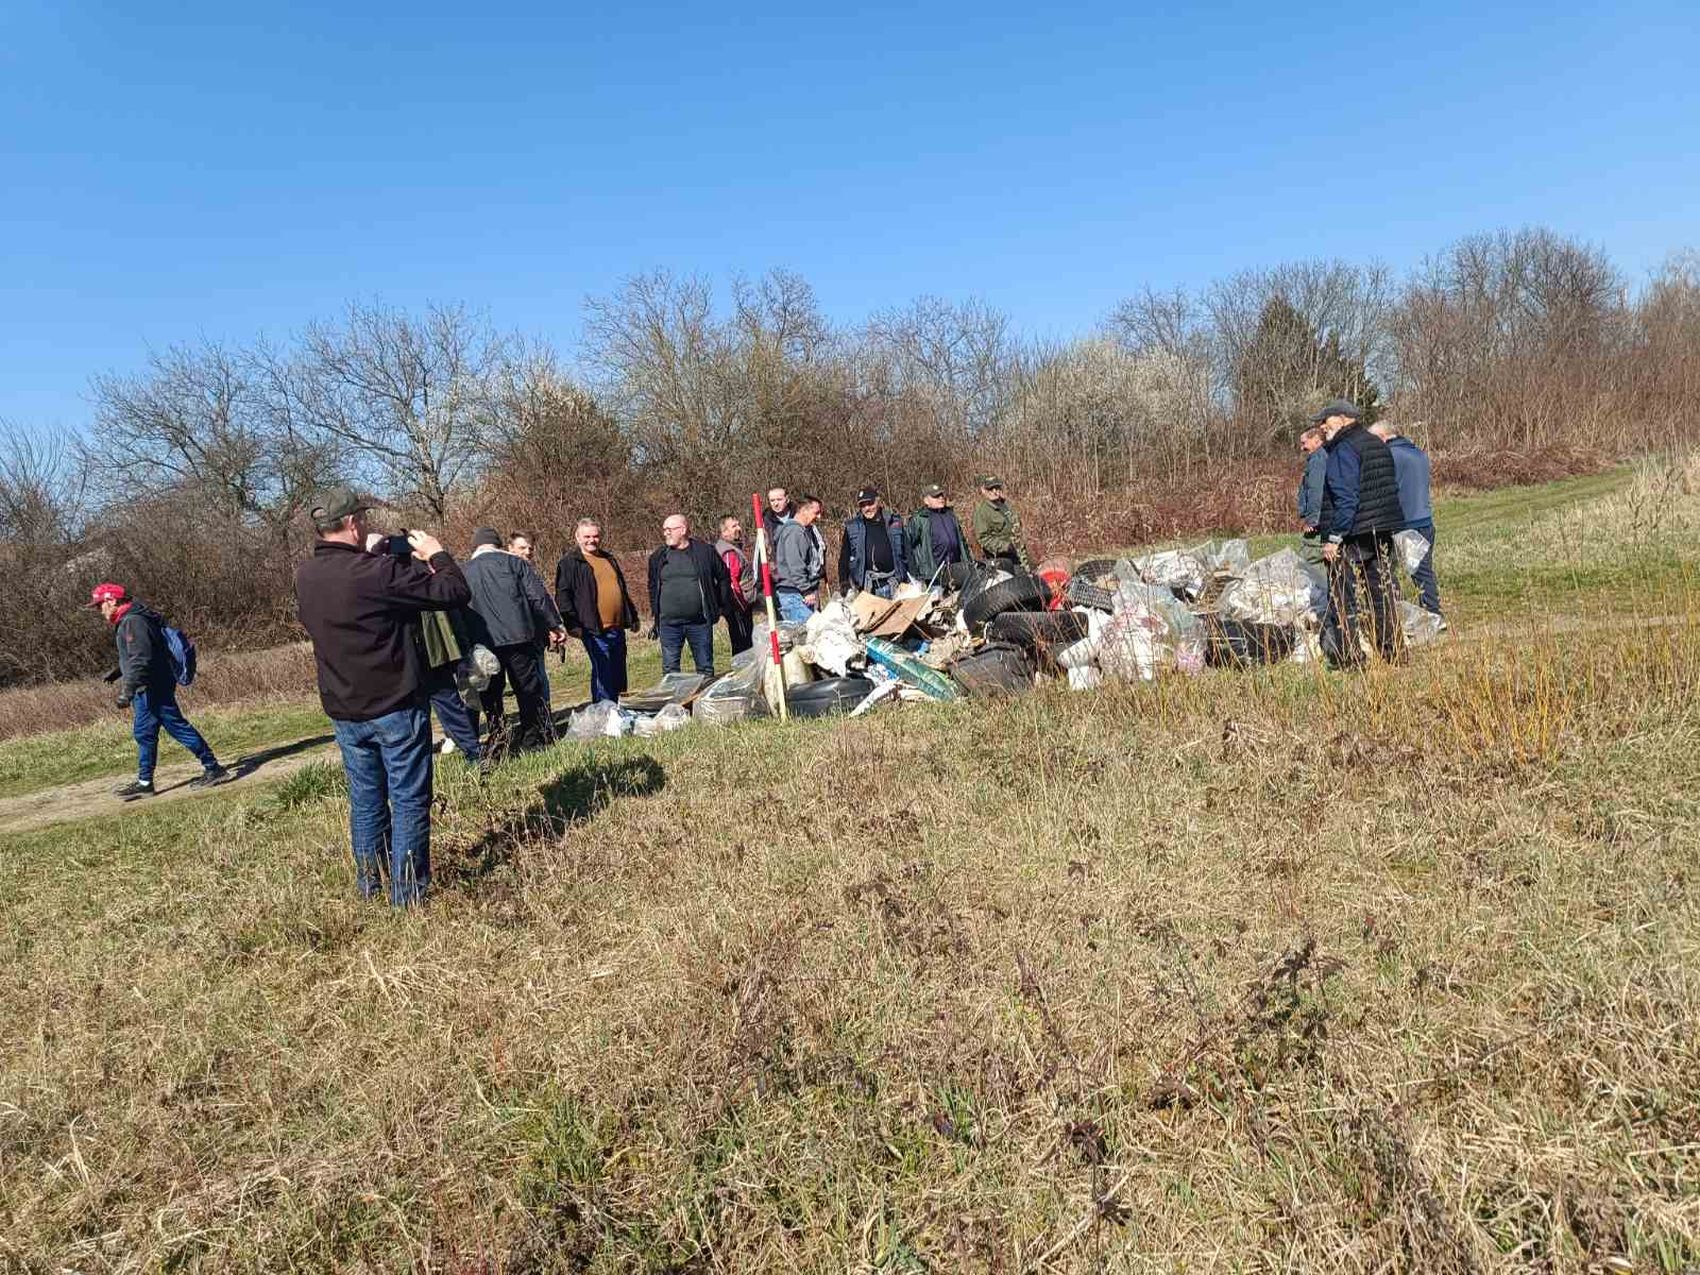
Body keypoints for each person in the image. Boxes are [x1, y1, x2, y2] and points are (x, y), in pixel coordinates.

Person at [295, 487, 470, 906]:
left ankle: (371, 887)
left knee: (366, 799)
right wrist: (436, 553)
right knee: (408, 799)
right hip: (394, 703)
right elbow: (453, 592)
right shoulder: (374, 574)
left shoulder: (305, 575)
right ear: (354, 523)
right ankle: (408, 894)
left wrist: (373, 559)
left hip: (344, 706)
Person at [87, 583, 230, 800]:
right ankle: (145, 783)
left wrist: (126, 690)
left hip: (153, 685)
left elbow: (141, 658)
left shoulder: (133, 621)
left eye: (100, 606)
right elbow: (141, 653)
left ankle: (213, 768)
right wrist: (118, 672)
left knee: (176, 726)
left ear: (112, 601)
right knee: (144, 733)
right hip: (147, 685)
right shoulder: (132, 619)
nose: (100, 611)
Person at [366, 532, 481, 763]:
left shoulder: (404, 572)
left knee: (444, 702)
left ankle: (473, 752)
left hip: (426, 651)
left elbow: (450, 594)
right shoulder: (398, 573)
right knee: (437, 705)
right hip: (417, 653)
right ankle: (470, 752)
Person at [1314, 400, 1404, 669]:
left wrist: (1334, 538)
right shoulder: (1377, 443)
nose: (1321, 426)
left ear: (1342, 419)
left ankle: (1351, 657)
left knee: (1344, 596)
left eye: (1325, 420)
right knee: (1382, 592)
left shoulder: (1343, 448)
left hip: (1351, 533)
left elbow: (1346, 498)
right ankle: (1394, 651)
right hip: (1379, 530)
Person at [463, 527, 565, 750]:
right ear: (498, 545)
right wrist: (554, 625)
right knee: (528, 690)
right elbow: (538, 597)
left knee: (491, 695)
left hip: (485, 644)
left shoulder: (465, 570)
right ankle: (533, 740)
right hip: (521, 638)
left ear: (476, 546)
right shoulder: (516, 564)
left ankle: (499, 740)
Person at [555, 518, 639, 703]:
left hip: (616, 627)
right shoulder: (569, 563)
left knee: (618, 672)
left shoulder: (609, 559)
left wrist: (631, 616)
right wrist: (573, 626)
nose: (592, 540)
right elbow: (563, 597)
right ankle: (604, 713)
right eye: (587, 536)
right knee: (603, 673)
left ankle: (620, 711)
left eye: (595, 536)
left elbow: (621, 590)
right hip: (593, 629)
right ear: (577, 537)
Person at [646, 514, 733, 676]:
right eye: (664, 530)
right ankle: (676, 702)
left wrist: (720, 606)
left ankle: (704, 701)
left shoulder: (705, 552)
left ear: (683, 530)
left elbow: (723, 577)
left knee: (705, 667)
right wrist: (656, 611)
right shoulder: (658, 557)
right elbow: (652, 585)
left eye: (669, 530)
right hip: (669, 624)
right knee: (670, 670)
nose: (666, 533)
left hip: (699, 622)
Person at [1371, 422, 1442, 617]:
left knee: (1389, 569)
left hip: (1405, 523)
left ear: (1382, 437)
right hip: (1425, 519)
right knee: (1422, 570)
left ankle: (1429, 614)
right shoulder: (1418, 453)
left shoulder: (1389, 456)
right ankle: (1428, 612)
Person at [837, 486, 910, 598]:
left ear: (878, 501)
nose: (867, 508)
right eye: (863, 505)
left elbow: (908, 552)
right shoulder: (852, 527)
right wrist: (843, 582)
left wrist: (912, 578)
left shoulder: (894, 522)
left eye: (870, 503)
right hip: (868, 588)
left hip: (895, 584)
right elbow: (844, 557)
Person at [771, 495, 825, 623]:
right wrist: (806, 590)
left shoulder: (802, 531)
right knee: (807, 636)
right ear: (804, 510)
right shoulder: (794, 532)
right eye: (816, 513)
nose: (819, 517)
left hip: (796, 593)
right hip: (793, 595)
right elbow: (795, 565)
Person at [905, 483, 969, 585]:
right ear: (926, 500)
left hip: (956, 569)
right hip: (934, 575)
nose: (941, 498)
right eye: (936, 496)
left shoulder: (950, 515)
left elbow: (962, 542)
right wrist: (915, 571)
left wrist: (968, 562)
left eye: (941, 495)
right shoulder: (920, 519)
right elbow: (908, 545)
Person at [715, 514, 759, 655]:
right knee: (742, 644)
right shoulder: (728, 552)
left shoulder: (733, 547)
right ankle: (744, 673)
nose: (739, 528)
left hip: (741, 603)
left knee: (745, 641)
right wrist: (741, 606)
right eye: (734, 526)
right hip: (737, 606)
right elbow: (731, 582)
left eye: (738, 524)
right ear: (724, 532)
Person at [970, 476, 1032, 570]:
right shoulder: (982, 511)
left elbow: (1017, 523)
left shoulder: (1006, 505)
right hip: (1001, 560)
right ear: (984, 491)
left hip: (1018, 554)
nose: (995, 491)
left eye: (997, 487)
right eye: (990, 489)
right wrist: (1006, 546)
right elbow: (984, 539)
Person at [1296, 428, 1329, 565]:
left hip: (1317, 522)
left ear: (1316, 440)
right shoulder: (1317, 458)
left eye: (1304, 443)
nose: (1302, 447)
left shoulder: (1318, 460)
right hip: (1319, 519)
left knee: (1308, 557)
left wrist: (1312, 520)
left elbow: (1316, 491)